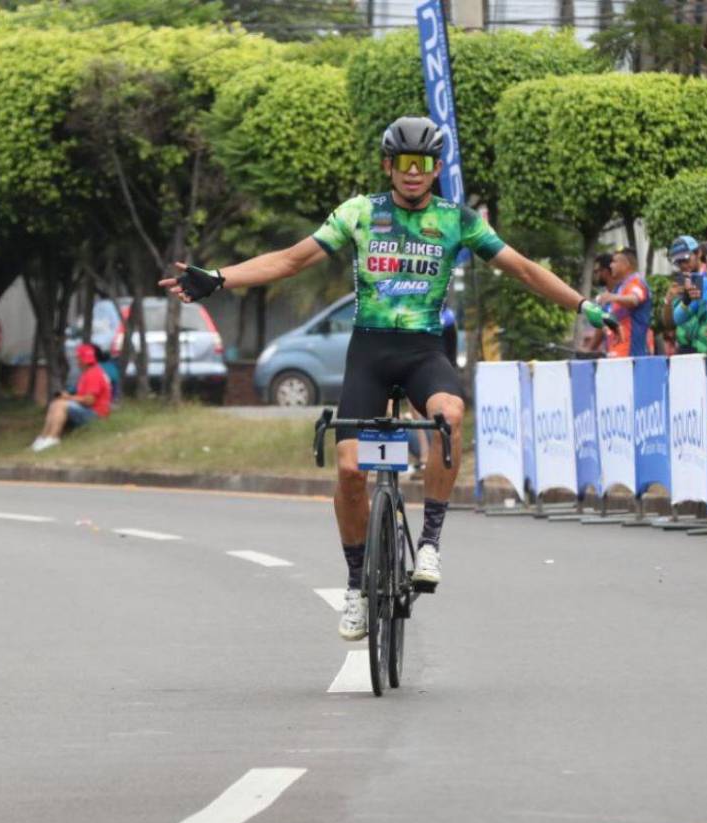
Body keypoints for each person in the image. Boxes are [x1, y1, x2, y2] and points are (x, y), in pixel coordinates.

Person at [158, 116, 617, 641]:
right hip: (370, 353)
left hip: (423, 352)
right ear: (388, 166)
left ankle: (430, 543)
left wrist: (582, 304)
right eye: (403, 163)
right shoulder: (360, 213)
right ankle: (356, 587)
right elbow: (291, 260)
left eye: (422, 163)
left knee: (449, 416)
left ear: (436, 169)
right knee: (350, 470)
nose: (413, 172)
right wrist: (220, 278)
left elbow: (525, 269)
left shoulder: (457, 220)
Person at [30, 342, 111, 452]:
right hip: (89, 410)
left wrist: (68, 398)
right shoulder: (88, 373)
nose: (77, 361)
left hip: (96, 415)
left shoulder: (93, 374)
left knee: (61, 404)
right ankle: (43, 437)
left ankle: (52, 438)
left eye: (78, 358)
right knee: (56, 403)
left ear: (83, 360)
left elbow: (89, 401)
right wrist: (67, 396)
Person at [591, 247, 651, 358]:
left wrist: (612, 297)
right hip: (615, 356)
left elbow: (634, 300)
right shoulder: (619, 288)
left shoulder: (636, 281)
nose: (611, 265)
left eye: (614, 262)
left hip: (631, 357)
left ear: (625, 265)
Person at [574, 252, 614, 352]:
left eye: (596, 271)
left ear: (605, 272)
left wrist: (590, 348)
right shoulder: (602, 298)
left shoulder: (618, 296)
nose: (595, 275)